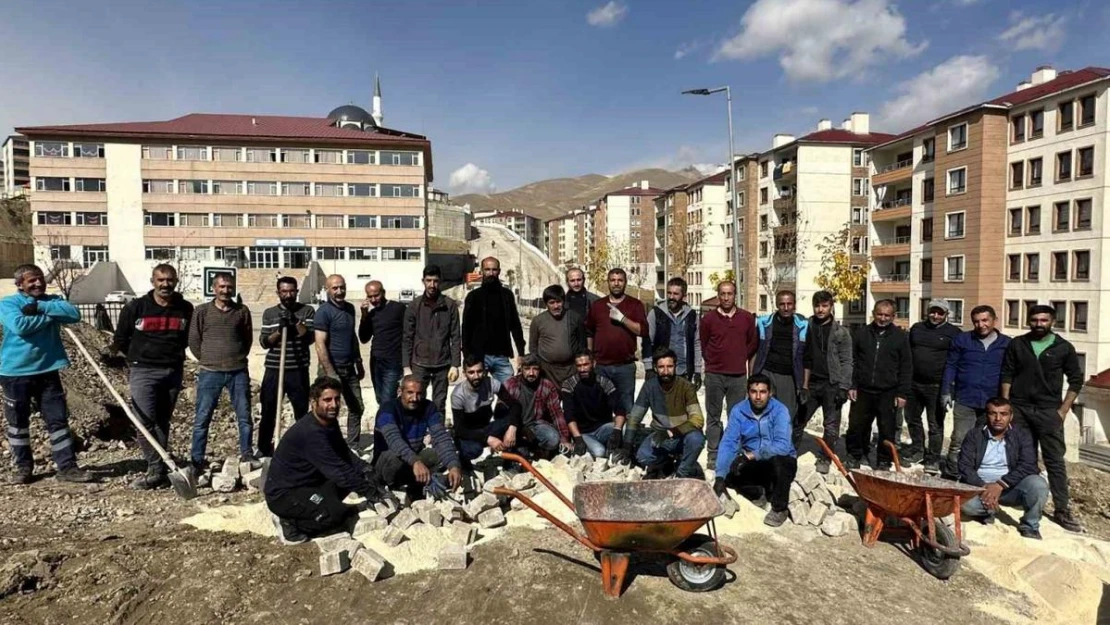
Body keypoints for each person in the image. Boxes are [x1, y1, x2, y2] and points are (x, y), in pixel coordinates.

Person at [265, 377, 392, 544]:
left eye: (337, 399)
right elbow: (339, 472)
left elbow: (344, 453)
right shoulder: (311, 433)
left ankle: (323, 506)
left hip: (310, 483)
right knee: (334, 516)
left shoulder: (328, 422)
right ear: (313, 402)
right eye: (327, 400)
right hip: (286, 493)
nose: (334, 405)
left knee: (350, 481)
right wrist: (371, 493)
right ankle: (289, 523)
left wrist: (366, 470)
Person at [0, 264, 93, 484]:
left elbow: (73, 313)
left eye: (40, 278)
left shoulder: (51, 300)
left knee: (57, 420)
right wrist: (51, 317)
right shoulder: (8, 304)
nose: (38, 283)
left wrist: (41, 307)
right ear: (20, 284)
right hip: (15, 372)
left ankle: (67, 467)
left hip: (48, 371)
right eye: (31, 280)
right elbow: (20, 325)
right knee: (18, 423)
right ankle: (23, 468)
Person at [108, 264, 195, 489]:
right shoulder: (136, 307)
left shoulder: (185, 308)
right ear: (152, 281)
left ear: (175, 281)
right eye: (160, 280)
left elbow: (187, 338)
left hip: (173, 370)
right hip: (143, 370)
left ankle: (161, 465)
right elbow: (120, 338)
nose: (165, 284)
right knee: (143, 421)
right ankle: (156, 468)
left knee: (162, 421)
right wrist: (130, 358)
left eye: (170, 280)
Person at [1000, 304, 1084, 533]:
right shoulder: (1018, 344)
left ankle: (1061, 509)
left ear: (1052, 322)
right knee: (1020, 457)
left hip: (1049, 411)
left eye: (1043, 320)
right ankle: (1020, 497)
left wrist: (1063, 410)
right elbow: (1007, 373)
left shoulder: (1063, 348)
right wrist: (1007, 406)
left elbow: (1076, 379)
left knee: (1054, 461)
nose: (1039, 324)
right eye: (1035, 320)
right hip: (1020, 409)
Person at [189, 272, 257, 475]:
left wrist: (235, 357)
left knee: (244, 416)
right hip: (210, 372)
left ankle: (247, 453)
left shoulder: (241, 311)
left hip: (238, 372)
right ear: (214, 288)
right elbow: (194, 340)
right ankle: (197, 460)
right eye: (221, 287)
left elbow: (247, 339)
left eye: (229, 287)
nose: (226, 290)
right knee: (202, 418)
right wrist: (209, 358)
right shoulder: (201, 311)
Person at [957, 397, 1049, 540]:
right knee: (966, 505)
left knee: (1039, 485)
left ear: (1011, 416)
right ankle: (988, 511)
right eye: (993, 413)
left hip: (1010, 486)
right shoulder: (975, 435)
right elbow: (964, 466)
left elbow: (1029, 464)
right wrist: (984, 487)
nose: (998, 418)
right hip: (980, 486)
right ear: (987, 415)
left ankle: (1030, 526)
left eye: (1003, 414)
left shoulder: (1022, 435)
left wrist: (1000, 484)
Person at [714, 374, 797, 527]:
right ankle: (760, 492)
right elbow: (728, 443)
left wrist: (751, 456)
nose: (758, 397)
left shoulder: (780, 411)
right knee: (730, 475)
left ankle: (779, 508)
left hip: (778, 459)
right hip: (755, 462)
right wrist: (719, 475)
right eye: (753, 392)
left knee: (780, 463)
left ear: (770, 393)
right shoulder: (739, 411)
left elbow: (782, 446)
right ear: (748, 392)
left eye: (763, 392)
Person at [940, 306, 1010, 476]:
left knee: (984, 440)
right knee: (959, 439)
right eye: (977, 321)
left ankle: (973, 474)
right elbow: (951, 366)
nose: (981, 325)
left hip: (992, 402)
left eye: (985, 320)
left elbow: (1010, 372)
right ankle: (952, 474)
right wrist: (946, 391)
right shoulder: (962, 340)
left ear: (994, 320)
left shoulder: (1007, 343)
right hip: (966, 398)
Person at [845, 300, 912, 470]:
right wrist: (852, 385)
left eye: (887, 315)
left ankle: (883, 460)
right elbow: (853, 361)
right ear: (873, 314)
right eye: (879, 314)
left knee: (887, 428)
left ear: (893, 316)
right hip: (863, 389)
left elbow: (906, 366)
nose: (882, 318)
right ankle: (855, 455)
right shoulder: (861, 333)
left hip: (888, 391)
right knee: (857, 425)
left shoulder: (900, 337)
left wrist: (902, 393)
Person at [699, 280, 758, 470]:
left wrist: (744, 365)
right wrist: (713, 362)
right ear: (718, 295)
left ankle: (733, 453)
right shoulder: (708, 319)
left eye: (729, 293)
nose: (726, 297)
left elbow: (751, 345)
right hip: (714, 374)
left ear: (735, 295)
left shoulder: (747, 318)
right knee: (713, 416)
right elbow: (704, 344)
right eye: (722, 294)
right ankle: (713, 454)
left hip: (738, 376)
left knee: (737, 417)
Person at [373, 375, 463, 499]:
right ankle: (392, 488)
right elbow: (394, 440)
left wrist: (453, 465)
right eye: (410, 393)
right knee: (394, 457)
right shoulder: (387, 410)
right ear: (400, 391)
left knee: (441, 456)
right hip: (388, 462)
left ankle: (416, 484)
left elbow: (441, 437)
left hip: (412, 459)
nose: (415, 398)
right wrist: (416, 461)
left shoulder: (428, 407)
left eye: (419, 393)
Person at [257, 277, 314, 457]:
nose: (288, 295)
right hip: (274, 369)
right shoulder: (269, 313)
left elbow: (309, 338)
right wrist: (279, 330)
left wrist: (295, 322)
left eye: (291, 291)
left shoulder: (307, 311)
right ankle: (264, 449)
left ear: (296, 291)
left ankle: (303, 448)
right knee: (268, 410)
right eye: (284, 292)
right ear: (278, 293)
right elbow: (265, 342)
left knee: (301, 411)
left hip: (298, 368)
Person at [627, 348, 705, 479]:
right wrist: (626, 445)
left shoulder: (686, 387)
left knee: (696, 439)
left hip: (681, 435)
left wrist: (671, 432)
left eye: (669, 366)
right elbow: (634, 417)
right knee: (642, 457)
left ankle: (682, 473)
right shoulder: (649, 386)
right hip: (659, 436)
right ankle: (666, 462)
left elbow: (698, 420)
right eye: (661, 367)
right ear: (655, 368)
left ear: (675, 367)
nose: (666, 371)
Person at [900, 299, 960, 466]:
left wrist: (950, 389)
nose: (935, 315)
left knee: (935, 425)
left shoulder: (954, 333)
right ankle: (918, 449)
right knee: (912, 418)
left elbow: (956, 361)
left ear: (946, 314)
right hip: (914, 383)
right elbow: (907, 353)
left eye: (940, 313)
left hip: (937, 386)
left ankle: (933, 459)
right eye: (933, 311)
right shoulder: (917, 328)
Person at [798, 290, 852, 474]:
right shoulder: (806, 327)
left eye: (824, 305)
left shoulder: (841, 332)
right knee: (798, 420)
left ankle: (825, 456)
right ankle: (790, 452)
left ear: (831, 306)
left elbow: (846, 360)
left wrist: (844, 387)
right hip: (810, 383)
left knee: (831, 425)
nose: (820, 310)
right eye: (817, 305)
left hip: (832, 384)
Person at [585, 268, 648, 415]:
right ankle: (605, 436)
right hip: (601, 366)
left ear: (625, 282)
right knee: (601, 407)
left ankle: (627, 437)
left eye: (620, 280)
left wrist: (622, 319)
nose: (616, 283)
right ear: (608, 282)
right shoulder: (598, 305)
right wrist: (590, 356)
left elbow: (643, 331)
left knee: (627, 408)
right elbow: (589, 332)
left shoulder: (635, 304)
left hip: (625, 367)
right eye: (613, 280)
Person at [402, 265, 461, 417]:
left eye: (435, 281)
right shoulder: (415, 306)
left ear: (440, 281)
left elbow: (455, 336)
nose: (432, 285)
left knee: (439, 403)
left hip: (442, 364)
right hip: (419, 364)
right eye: (428, 281)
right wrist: (406, 366)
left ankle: (438, 435)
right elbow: (407, 337)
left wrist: (455, 364)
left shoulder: (449, 306)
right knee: (416, 400)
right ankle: (417, 434)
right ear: (423, 281)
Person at [314, 274, 365, 446]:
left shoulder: (350, 309)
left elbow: (352, 337)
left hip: (349, 368)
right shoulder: (323, 312)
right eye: (335, 288)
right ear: (327, 290)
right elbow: (320, 344)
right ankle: (324, 444)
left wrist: (359, 362)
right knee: (327, 409)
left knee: (357, 407)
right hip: (331, 369)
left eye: (342, 287)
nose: (339, 291)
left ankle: (352, 446)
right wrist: (330, 373)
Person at [450, 355, 524, 465]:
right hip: (469, 433)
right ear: (464, 374)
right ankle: (464, 464)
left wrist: (512, 427)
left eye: (479, 371)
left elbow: (515, 405)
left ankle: (508, 457)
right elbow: (460, 429)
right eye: (471, 372)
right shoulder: (458, 394)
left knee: (513, 421)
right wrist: (488, 439)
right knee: (474, 449)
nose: (476, 376)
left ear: (485, 371)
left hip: (486, 428)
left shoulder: (492, 383)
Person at [462, 257, 525, 383]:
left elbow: (515, 325)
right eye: (487, 269)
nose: (491, 273)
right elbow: (466, 328)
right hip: (479, 357)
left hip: (501, 356)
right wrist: (467, 356)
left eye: (494, 270)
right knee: (478, 396)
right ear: (481, 271)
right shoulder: (473, 297)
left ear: (499, 271)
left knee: (510, 392)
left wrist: (521, 353)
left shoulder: (507, 295)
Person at [752, 290, 807, 425]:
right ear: (777, 305)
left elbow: (807, 358)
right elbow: (754, 351)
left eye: (789, 304)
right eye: (782, 304)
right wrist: (753, 377)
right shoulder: (764, 323)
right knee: (762, 413)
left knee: (786, 415)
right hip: (766, 372)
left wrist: (804, 385)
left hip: (788, 376)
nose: (786, 307)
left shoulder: (803, 325)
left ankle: (782, 444)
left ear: (794, 305)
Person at [561, 350, 627, 459]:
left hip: (603, 428)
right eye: (579, 366)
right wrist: (578, 438)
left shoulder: (605, 382)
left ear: (594, 364)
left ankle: (620, 451)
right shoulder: (569, 385)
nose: (582, 369)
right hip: (583, 433)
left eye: (586, 365)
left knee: (624, 429)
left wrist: (617, 431)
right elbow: (569, 415)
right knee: (599, 452)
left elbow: (619, 409)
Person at [502, 354, 571, 456]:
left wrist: (564, 439)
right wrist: (514, 429)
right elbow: (500, 412)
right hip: (514, 426)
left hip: (535, 425)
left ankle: (534, 447)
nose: (531, 373)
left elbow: (556, 413)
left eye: (535, 369)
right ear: (521, 369)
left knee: (553, 439)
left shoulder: (547, 386)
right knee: (520, 453)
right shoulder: (510, 384)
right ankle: (527, 448)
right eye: (527, 369)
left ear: (540, 370)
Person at [641, 277, 702, 389]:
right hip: (661, 372)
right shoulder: (656, 313)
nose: (671, 297)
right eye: (669, 293)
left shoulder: (692, 316)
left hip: (684, 372)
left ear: (684, 296)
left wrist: (697, 371)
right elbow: (647, 342)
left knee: (681, 406)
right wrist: (649, 368)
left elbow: (697, 344)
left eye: (675, 294)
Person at [358, 280, 406, 408]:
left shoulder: (398, 308)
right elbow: (363, 338)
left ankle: (388, 427)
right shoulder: (371, 314)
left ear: (383, 293)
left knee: (387, 401)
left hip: (393, 362)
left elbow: (410, 334)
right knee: (380, 399)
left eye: (376, 295)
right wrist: (364, 316)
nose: (373, 299)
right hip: (375, 362)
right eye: (370, 296)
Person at [528, 284, 585, 385]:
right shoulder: (538, 321)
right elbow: (533, 347)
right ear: (546, 304)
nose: (556, 306)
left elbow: (581, 344)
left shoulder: (575, 318)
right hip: (547, 371)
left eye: (558, 302)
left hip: (571, 370)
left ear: (563, 301)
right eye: (552, 303)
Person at [563, 267, 598, 331]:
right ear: (567, 282)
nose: (576, 284)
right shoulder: (562, 302)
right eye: (572, 281)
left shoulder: (595, 300)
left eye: (579, 280)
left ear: (584, 280)